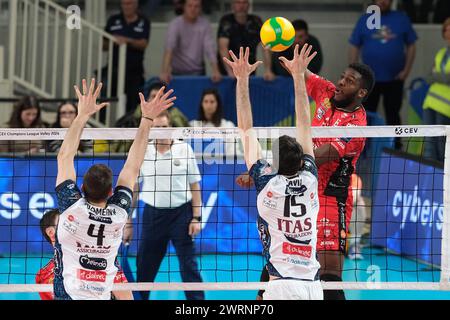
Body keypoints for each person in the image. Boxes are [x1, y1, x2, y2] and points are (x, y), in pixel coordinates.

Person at [240, 59, 375, 300]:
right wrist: (287, 50)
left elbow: (317, 157)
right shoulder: (327, 91)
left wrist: (266, 171)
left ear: (361, 92)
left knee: (329, 273)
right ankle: (263, 296)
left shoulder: (357, 124)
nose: (341, 82)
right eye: (343, 76)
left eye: (350, 81)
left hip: (332, 196)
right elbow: (301, 75)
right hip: (302, 185)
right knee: (282, 252)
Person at [53, 78, 175, 300]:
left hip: (68, 294)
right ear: (111, 193)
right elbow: (133, 166)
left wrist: (82, 115)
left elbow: (64, 156)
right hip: (102, 294)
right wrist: (147, 118)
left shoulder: (71, 206)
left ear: (81, 187)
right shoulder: (119, 213)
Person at [224, 45, 322, 300]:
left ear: (274, 164)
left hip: (281, 286)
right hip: (313, 286)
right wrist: (299, 77)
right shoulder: (310, 178)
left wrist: (242, 80)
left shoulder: (266, 182)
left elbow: (245, 129)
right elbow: (304, 123)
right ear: (302, 161)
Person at [125, 110, 204, 301]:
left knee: (189, 266)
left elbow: (195, 186)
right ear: (151, 130)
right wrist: (127, 222)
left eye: (164, 127)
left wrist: (196, 217)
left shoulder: (184, 149)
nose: (161, 130)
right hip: (153, 216)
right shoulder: (143, 151)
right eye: (157, 127)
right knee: (144, 267)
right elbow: (134, 189)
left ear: (171, 128)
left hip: (182, 215)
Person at [349, 0, 417, 148]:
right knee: (366, 115)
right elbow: (355, 45)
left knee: (393, 114)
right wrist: (353, 73)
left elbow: (411, 45)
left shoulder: (401, 18)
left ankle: (396, 148)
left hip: (394, 79)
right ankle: (364, 149)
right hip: (368, 80)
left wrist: (406, 71)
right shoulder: (364, 19)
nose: (383, 1)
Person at [36, 209, 133, 300]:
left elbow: (125, 297)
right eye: (65, 223)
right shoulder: (43, 276)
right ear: (51, 233)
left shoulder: (102, 258)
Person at [104, 0, 151, 114]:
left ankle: (131, 127)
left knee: (133, 104)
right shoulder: (113, 20)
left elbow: (143, 44)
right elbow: (104, 45)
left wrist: (126, 41)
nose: (126, 6)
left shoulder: (144, 21)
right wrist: (114, 41)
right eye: (124, 3)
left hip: (135, 71)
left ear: (136, 4)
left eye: (129, 3)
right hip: (114, 68)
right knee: (103, 98)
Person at [159, 0, 221, 84]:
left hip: (198, 72)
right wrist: (164, 71)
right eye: (190, 6)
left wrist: (215, 70)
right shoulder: (175, 24)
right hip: (177, 73)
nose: (193, 9)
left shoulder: (205, 25)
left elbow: (210, 49)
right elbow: (169, 48)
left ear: (200, 8)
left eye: (196, 6)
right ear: (184, 7)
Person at [217, 0, 275, 81]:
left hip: (249, 69)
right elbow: (223, 48)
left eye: (244, 2)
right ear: (232, 5)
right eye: (238, 2)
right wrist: (230, 71)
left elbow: (266, 46)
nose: (241, 6)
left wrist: (268, 70)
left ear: (249, 5)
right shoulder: (226, 21)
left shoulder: (256, 21)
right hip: (228, 72)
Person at [422, 18, 450, 163]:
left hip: (446, 107)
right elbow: (428, 77)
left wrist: (436, 76)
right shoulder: (441, 53)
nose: (448, 32)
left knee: (442, 146)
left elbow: (446, 78)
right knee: (429, 145)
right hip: (430, 103)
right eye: (446, 29)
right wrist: (440, 77)